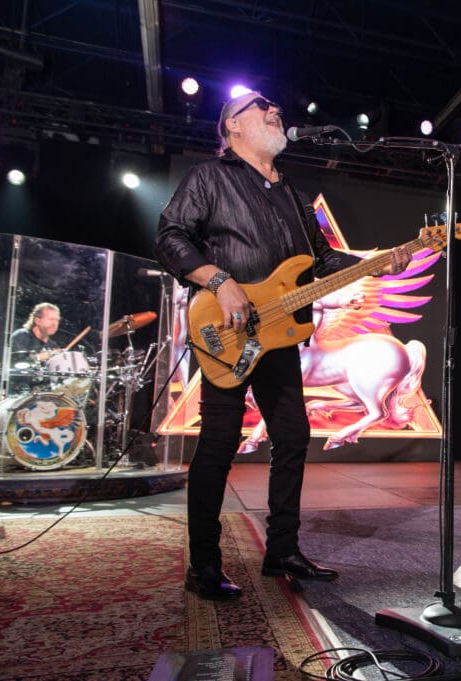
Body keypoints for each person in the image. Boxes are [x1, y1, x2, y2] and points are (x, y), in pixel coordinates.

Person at [155, 91, 410, 601]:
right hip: (227, 333)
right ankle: (202, 564)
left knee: (292, 437)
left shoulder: (291, 192)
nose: (276, 111)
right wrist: (218, 280)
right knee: (219, 444)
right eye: (261, 106)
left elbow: (319, 259)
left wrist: (378, 263)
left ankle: (283, 550)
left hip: (281, 334)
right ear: (232, 127)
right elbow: (171, 235)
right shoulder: (211, 176)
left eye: (275, 106)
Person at [9, 302, 63, 394]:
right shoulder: (22, 336)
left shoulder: (53, 346)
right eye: (51, 319)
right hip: (18, 393)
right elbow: (15, 364)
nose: (54, 324)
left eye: (57, 320)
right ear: (37, 320)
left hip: (45, 396)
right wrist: (38, 357)